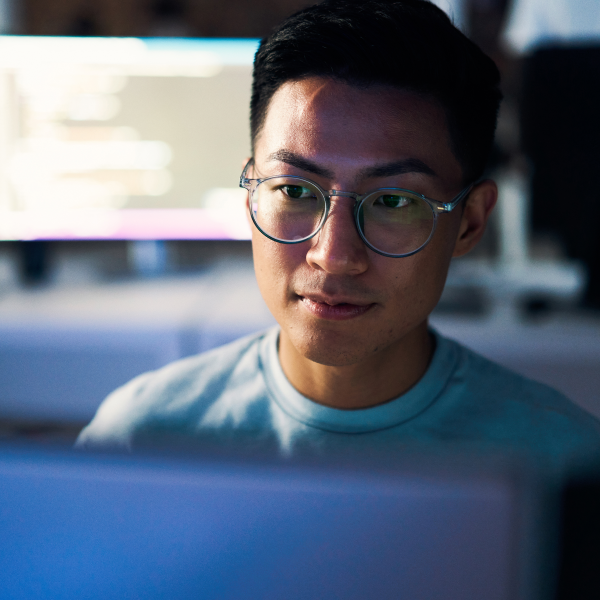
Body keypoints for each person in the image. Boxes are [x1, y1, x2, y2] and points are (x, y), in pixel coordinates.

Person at [77, 0, 600, 470]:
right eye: (295, 192)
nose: (334, 255)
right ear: (250, 196)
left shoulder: (562, 466)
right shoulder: (141, 440)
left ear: (470, 223)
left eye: (394, 201)